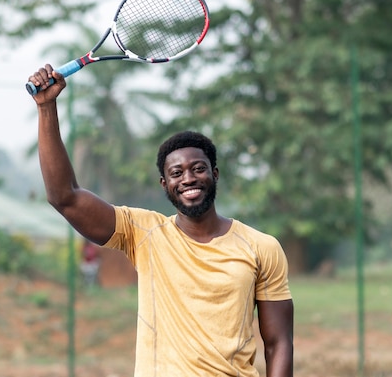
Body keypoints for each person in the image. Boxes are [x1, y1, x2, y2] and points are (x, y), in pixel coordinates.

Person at [28, 64, 294, 377]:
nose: (188, 179)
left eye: (198, 168)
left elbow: (279, 343)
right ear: (164, 184)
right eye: (176, 173)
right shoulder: (143, 232)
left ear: (215, 174)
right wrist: (47, 107)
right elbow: (65, 197)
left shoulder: (261, 247)